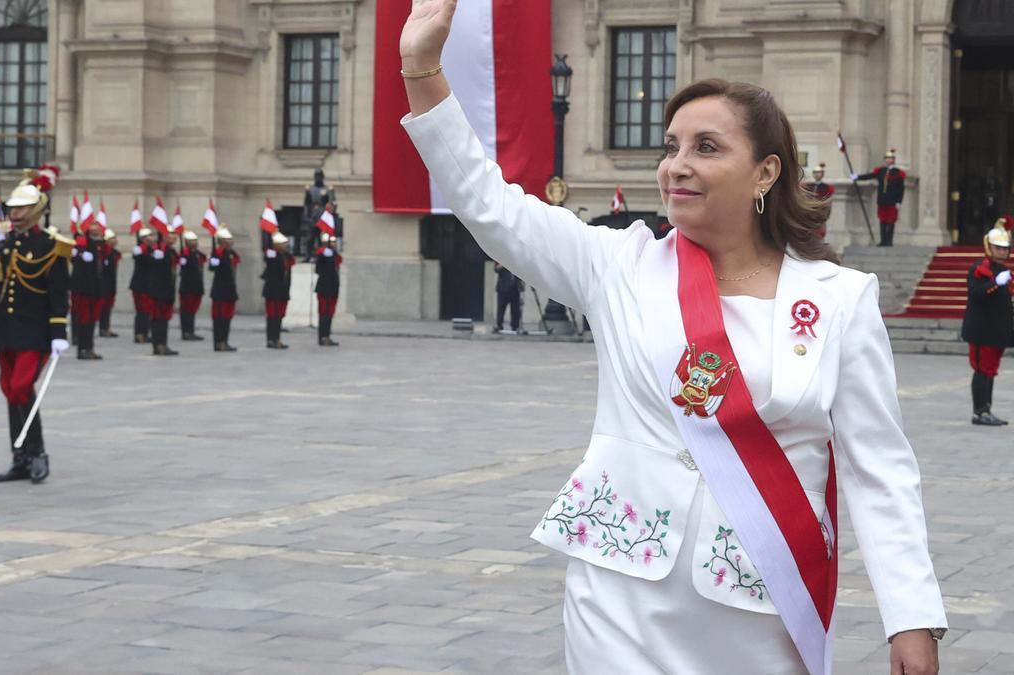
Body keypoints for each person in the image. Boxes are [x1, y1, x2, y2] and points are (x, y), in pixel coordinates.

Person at [399, 5, 945, 674]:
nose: (676, 166)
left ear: (766, 174)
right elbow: (490, 205)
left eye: (706, 148)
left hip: (757, 604)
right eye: (671, 146)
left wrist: (911, 617)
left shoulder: (839, 301)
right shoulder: (617, 265)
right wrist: (422, 68)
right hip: (619, 596)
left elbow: (879, 469)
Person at [0, 168, 70, 484]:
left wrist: (59, 332)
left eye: (20, 208)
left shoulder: (52, 246)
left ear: (35, 211)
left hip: (35, 331)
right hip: (6, 329)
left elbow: (59, 294)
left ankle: (38, 453)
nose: (13, 214)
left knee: (21, 387)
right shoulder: (4, 243)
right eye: (12, 208)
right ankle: (19, 457)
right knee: (10, 391)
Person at [961, 221, 1013, 426]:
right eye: (998, 248)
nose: (1002, 251)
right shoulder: (980, 268)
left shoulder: (1002, 270)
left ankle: (986, 409)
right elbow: (976, 293)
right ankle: (979, 412)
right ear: (988, 247)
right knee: (982, 370)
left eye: (1005, 248)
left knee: (990, 370)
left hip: (996, 332)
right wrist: (995, 283)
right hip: (982, 331)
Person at [853, 148, 906, 247]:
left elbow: (901, 189)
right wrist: (857, 177)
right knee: (882, 220)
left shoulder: (898, 173)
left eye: (890, 158)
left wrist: (899, 201)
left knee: (891, 220)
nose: (888, 160)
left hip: (893, 200)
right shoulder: (881, 171)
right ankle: (883, 240)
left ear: (893, 160)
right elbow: (869, 176)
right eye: (887, 158)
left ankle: (889, 241)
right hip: (882, 200)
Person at [70, 220, 105, 360]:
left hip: (94, 288)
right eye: (93, 225)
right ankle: (83, 348)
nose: (96, 229)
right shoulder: (82, 242)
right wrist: (79, 255)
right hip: (83, 288)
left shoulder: (98, 244)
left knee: (91, 319)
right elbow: (75, 258)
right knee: (84, 318)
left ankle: (89, 347)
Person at [145, 226, 180, 355]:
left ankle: (162, 344)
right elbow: (150, 265)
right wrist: (155, 256)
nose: (174, 236)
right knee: (158, 318)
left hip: (168, 290)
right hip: (158, 290)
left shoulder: (170, 251)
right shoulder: (158, 250)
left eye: (174, 234)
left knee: (164, 319)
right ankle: (158, 344)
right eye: (170, 234)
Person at [208, 226, 240, 352]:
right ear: (222, 241)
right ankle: (219, 342)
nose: (231, 242)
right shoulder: (218, 254)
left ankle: (224, 341)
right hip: (220, 291)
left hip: (229, 291)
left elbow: (237, 260)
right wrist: (216, 255)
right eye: (228, 239)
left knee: (227, 318)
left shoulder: (231, 254)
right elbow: (212, 267)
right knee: (219, 318)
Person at [262, 231, 294, 349]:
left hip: (282, 291)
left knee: (279, 316)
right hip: (272, 291)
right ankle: (271, 339)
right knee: (272, 316)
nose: (286, 246)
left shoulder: (286, 257)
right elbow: (267, 255)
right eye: (283, 243)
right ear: (276, 245)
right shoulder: (272, 255)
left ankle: (277, 339)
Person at [177, 230, 207, 341]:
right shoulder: (185, 254)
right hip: (187, 286)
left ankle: (191, 331)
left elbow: (204, 259)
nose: (194, 243)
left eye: (195, 241)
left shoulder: (197, 254)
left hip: (196, 286)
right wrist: (185, 254)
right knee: (186, 310)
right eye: (191, 241)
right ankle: (186, 331)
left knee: (192, 310)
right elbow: (183, 264)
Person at [303, 169, 337, 260]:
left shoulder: (327, 189)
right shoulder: (310, 189)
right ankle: (308, 256)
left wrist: (331, 196)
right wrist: (306, 215)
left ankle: (321, 255)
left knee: (322, 238)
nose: (318, 178)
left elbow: (332, 203)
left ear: (323, 177)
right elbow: (306, 204)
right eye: (316, 176)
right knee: (310, 237)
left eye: (320, 176)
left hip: (323, 215)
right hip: (313, 215)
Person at [129, 227, 155, 344]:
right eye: (148, 236)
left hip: (149, 285)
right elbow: (139, 258)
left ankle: (144, 333)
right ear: (143, 239)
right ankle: (140, 334)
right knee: (142, 311)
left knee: (147, 311)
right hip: (140, 285)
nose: (152, 238)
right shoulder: (140, 250)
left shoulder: (151, 250)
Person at [803, 162, 835, 239]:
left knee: (820, 230)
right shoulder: (809, 185)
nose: (817, 174)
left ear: (822, 174)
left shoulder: (826, 187)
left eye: (819, 173)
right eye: (815, 173)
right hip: (810, 211)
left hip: (820, 211)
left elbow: (828, 200)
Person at [99, 230, 121, 338]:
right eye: (112, 238)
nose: (115, 240)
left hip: (111, 283)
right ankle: (103, 328)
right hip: (103, 284)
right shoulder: (103, 252)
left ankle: (106, 327)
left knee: (108, 307)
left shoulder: (114, 253)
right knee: (103, 307)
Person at [494, 261, 523, 334]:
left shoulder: (515, 260)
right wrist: (503, 264)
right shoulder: (501, 257)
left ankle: (515, 326)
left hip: (515, 288)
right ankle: (499, 325)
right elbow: (496, 269)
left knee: (515, 308)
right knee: (501, 307)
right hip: (503, 288)